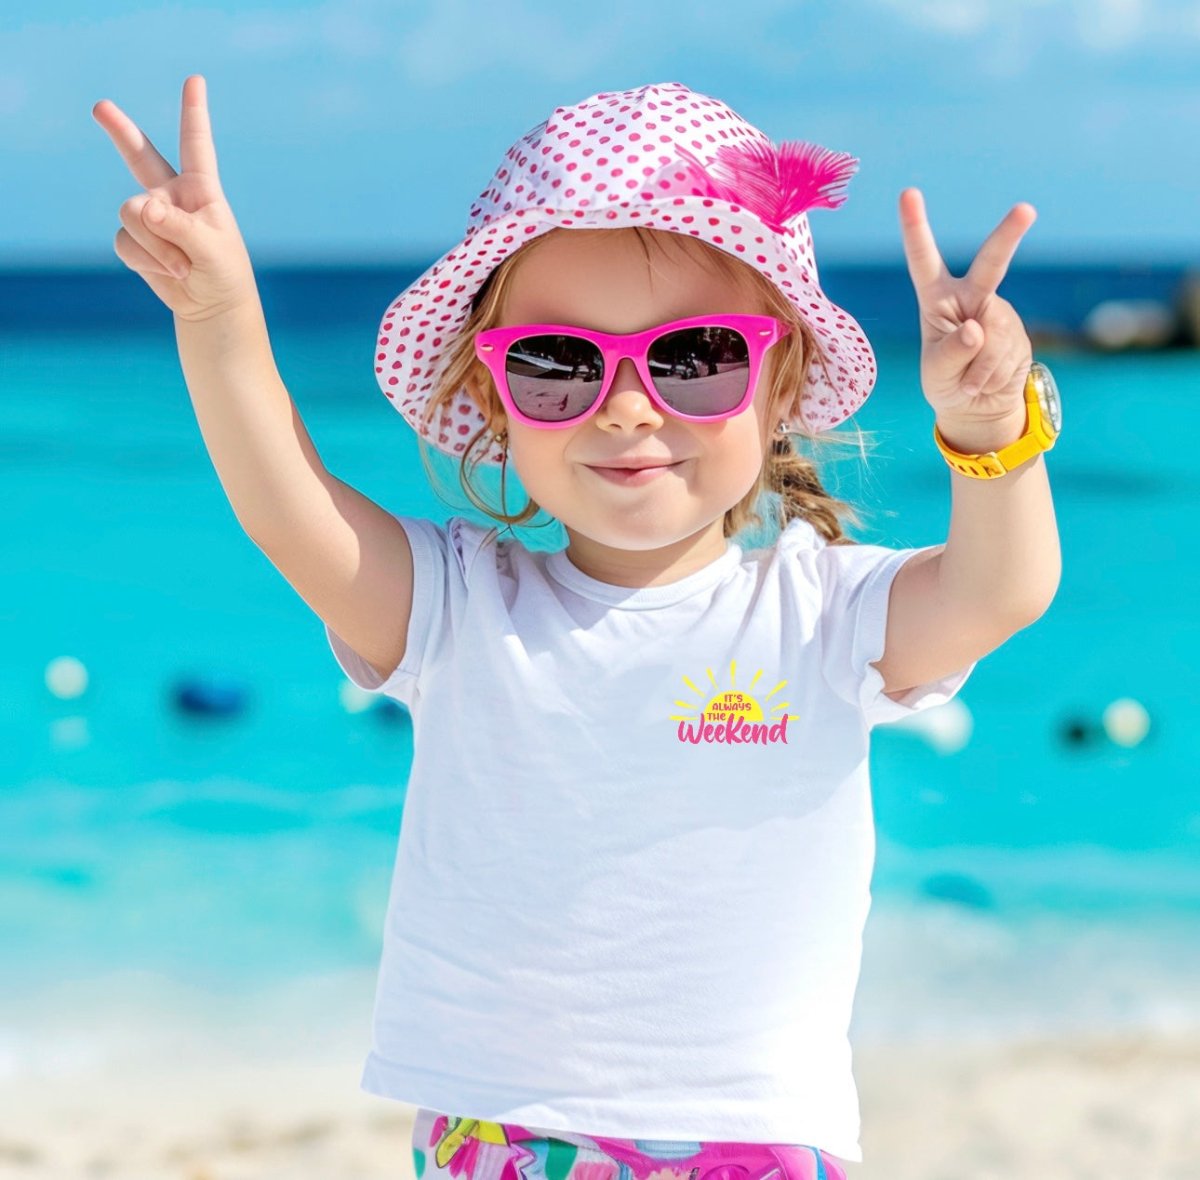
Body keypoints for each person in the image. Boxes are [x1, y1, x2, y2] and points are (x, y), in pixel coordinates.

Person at [93, 76, 1062, 1179]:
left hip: (752, 1137)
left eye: (695, 357)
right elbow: (287, 505)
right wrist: (219, 318)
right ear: (491, 394)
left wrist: (990, 424)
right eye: (558, 364)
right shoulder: (459, 607)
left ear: (779, 375)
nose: (629, 404)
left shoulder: (821, 612)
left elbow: (1001, 589)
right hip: (499, 1133)